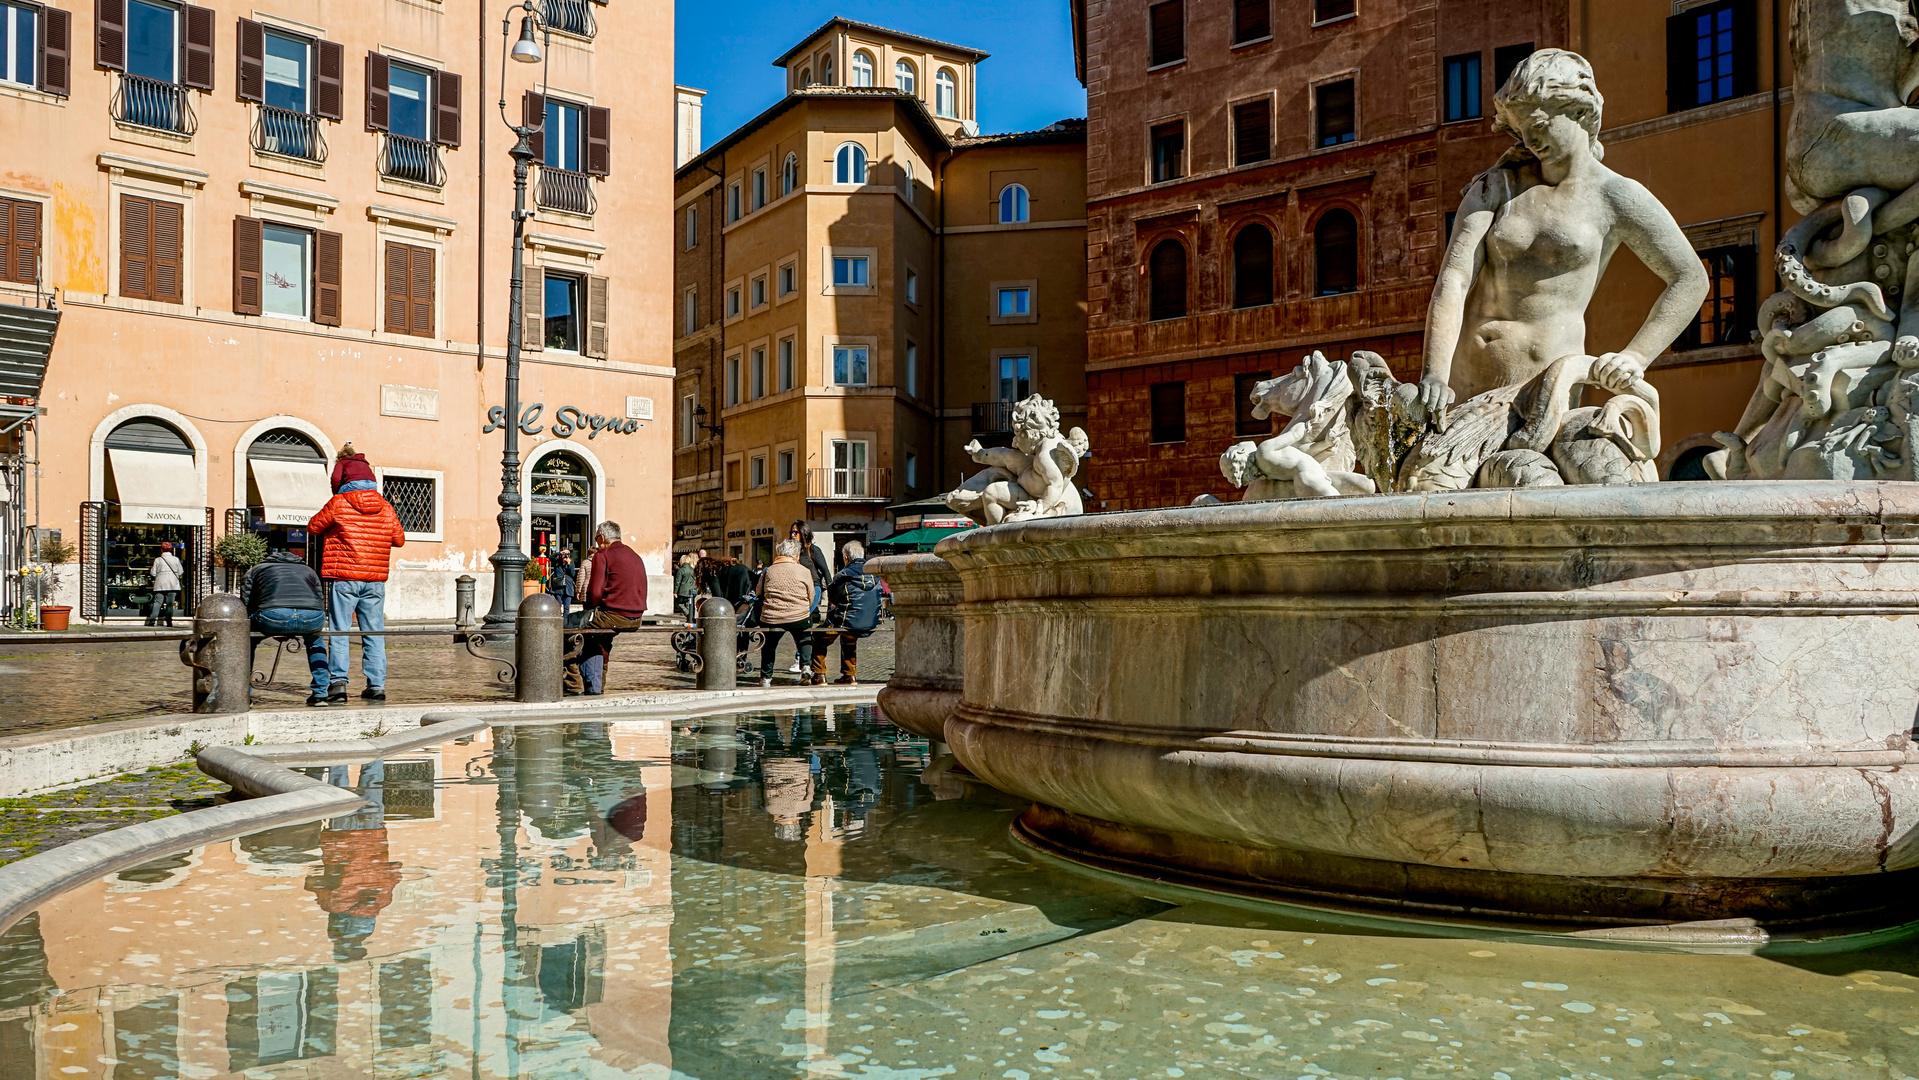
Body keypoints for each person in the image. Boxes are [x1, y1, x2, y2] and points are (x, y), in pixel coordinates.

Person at [307, 461, 406, 704]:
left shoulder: (339, 503)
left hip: (344, 577)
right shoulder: (385, 506)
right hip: (374, 580)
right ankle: (376, 685)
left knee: (340, 630)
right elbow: (399, 539)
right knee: (374, 632)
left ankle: (338, 685)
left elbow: (313, 527)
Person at [565, 521, 649, 696]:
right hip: (636, 617)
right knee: (598, 639)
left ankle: (573, 683)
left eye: (597, 539)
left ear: (602, 538)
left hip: (613, 614)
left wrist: (588, 609)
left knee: (564, 627)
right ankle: (595, 686)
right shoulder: (634, 555)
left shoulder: (603, 554)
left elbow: (595, 592)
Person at [239, 546, 331, 706]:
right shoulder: (308, 570)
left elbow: (246, 601)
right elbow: (320, 597)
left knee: (247, 641)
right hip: (312, 616)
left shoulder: (257, 569)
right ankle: (321, 693)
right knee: (315, 642)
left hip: (273, 616)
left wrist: (269, 624)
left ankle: (244, 694)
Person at [810, 541, 882, 685]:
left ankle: (819, 675)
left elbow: (833, 598)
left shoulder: (844, 575)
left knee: (818, 637)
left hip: (845, 621)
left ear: (846, 558)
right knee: (849, 637)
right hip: (870, 622)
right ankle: (850, 675)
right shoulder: (874, 575)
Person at [755, 539, 817, 687]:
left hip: (772, 616)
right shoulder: (804, 571)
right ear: (795, 554)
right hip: (798, 615)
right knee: (804, 638)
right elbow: (811, 595)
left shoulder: (768, 570)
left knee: (769, 645)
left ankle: (766, 677)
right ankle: (806, 667)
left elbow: (758, 591)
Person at [146, 541, 183, 626]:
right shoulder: (176, 559)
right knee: (170, 604)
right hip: (172, 584)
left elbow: (153, 573)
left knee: (158, 602)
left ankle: (152, 619)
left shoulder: (158, 560)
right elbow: (180, 572)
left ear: (161, 549)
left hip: (160, 584)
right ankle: (169, 621)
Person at [547, 546, 576, 615]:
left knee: (566, 606)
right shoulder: (557, 561)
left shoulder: (571, 562)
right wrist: (559, 553)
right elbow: (550, 557)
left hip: (568, 586)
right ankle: (558, 619)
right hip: (558, 586)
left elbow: (573, 574)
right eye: (564, 554)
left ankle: (566, 621)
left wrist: (569, 564)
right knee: (558, 605)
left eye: (567, 554)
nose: (565, 556)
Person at [673, 553, 698, 622]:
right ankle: (690, 619)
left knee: (679, 603)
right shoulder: (692, 569)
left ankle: (688, 615)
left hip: (683, 590)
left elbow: (677, 582)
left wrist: (675, 591)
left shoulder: (681, 570)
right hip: (692, 590)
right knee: (689, 605)